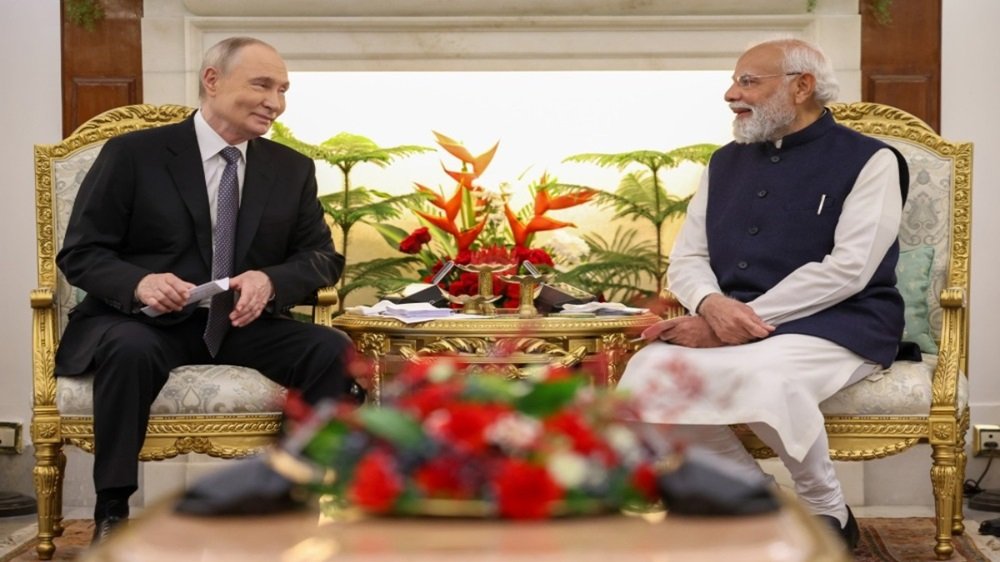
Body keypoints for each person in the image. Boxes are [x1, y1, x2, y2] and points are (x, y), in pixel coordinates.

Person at [55, 37, 362, 543]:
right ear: (212, 80)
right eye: (262, 85)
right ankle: (112, 509)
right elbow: (81, 253)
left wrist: (270, 279)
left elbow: (321, 259)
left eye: (283, 90)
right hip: (146, 323)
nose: (275, 102)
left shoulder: (291, 169)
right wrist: (140, 283)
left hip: (241, 323)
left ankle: (290, 501)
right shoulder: (133, 155)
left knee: (331, 349)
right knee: (129, 349)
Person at [618, 38, 908, 550]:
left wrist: (737, 320)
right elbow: (688, 258)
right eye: (734, 81)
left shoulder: (872, 159)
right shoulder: (723, 162)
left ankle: (825, 508)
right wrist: (711, 306)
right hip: (727, 319)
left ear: (802, 86)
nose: (731, 94)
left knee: (766, 375)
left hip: (842, 321)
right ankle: (760, 501)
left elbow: (850, 269)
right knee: (651, 373)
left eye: (748, 82)